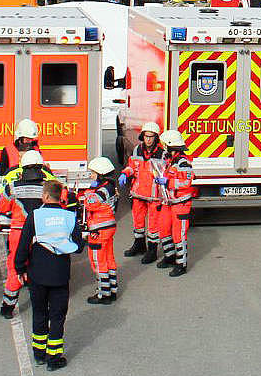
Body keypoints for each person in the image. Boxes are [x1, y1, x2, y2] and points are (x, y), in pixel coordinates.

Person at [14, 177, 80, 369]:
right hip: (59, 274)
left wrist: (20, 268)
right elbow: (78, 246)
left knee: (39, 313)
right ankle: (54, 358)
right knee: (57, 316)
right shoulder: (69, 217)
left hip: (37, 273)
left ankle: (39, 353)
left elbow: (23, 244)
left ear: (45, 196)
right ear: (60, 197)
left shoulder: (35, 216)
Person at [0, 147, 50, 319]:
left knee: (15, 269)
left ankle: (7, 307)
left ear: (23, 167)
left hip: (19, 234)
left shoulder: (12, 188)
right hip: (41, 233)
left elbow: (2, 208)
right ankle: (43, 305)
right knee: (41, 267)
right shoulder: (49, 188)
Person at [153, 129, 197, 277]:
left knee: (179, 234)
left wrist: (168, 182)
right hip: (169, 201)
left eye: (165, 144)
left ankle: (181, 264)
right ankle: (170, 256)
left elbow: (186, 182)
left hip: (180, 203)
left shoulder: (183, 163)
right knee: (163, 229)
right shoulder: (170, 160)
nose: (163, 147)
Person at [78, 157, 120, 304]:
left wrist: (87, 192)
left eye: (93, 173)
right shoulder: (110, 186)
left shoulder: (102, 190)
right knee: (109, 259)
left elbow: (90, 204)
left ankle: (104, 294)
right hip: (108, 227)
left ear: (100, 174)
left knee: (98, 261)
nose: (91, 175)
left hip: (99, 230)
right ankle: (112, 290)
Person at [122, 122, 164, 262]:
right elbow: (132, 167)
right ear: (143, 136)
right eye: (146, 136)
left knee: (153, 225)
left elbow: (166, 172)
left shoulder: (162, 153)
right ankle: (139, 245)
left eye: (151, 137)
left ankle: (152, 250)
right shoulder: (137, 150)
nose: (148, 139)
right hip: (138, 193)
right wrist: (125, 173)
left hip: (154, 195)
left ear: (156, 138)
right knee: (138, 221)